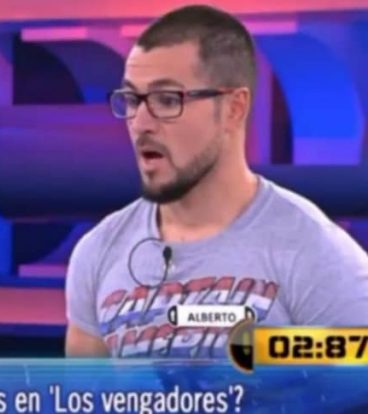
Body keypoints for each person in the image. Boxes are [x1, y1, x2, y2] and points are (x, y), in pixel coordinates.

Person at [65, 4, 368, 358]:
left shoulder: (314, 253)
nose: (140, 123)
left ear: (234, 108)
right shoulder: (98, 252)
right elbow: (84, 388)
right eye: (132, 99)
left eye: (167, 100)